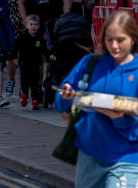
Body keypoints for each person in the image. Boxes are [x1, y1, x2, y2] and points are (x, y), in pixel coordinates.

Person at [55, 10, 138, 187]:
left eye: (121, 40)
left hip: (127, 158)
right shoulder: (89, 63)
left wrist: (119, 119)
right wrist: (65, 96)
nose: (114, 46)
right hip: (89, 154)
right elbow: (59, 104)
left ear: (133, 38)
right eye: (109, 40)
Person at [11, 14, 49, 110]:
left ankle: (35, 100)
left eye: (35, 24)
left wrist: (49, 55)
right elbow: (15, 47)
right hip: (24, 63)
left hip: (36, 64)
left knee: (35, 82)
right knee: (25, 81)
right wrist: (14, 57)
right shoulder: (22, 37)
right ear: (26, 26)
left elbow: (44, 49)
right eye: (31, 24)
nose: (33, 26)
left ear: (39, 26)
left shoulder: (40, 38)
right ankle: (24, 94)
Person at [4, 0, 30, 96]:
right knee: (11, 59)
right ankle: (11, 80)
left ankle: (22, 86)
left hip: (24, 27)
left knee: (23, 59)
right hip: (11, 27)